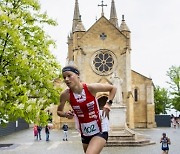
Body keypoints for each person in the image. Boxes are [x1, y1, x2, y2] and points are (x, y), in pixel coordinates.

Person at [57, 65, 117, 154]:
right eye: (64, 77)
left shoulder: (90, 88)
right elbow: (59, 111)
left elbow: (113, 88)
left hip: (100, 127)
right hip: (85, 131)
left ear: (78, 75)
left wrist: (108, 104)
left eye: (69, 75)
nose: (66, 79)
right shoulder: (65, 94)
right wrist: (66, 114)